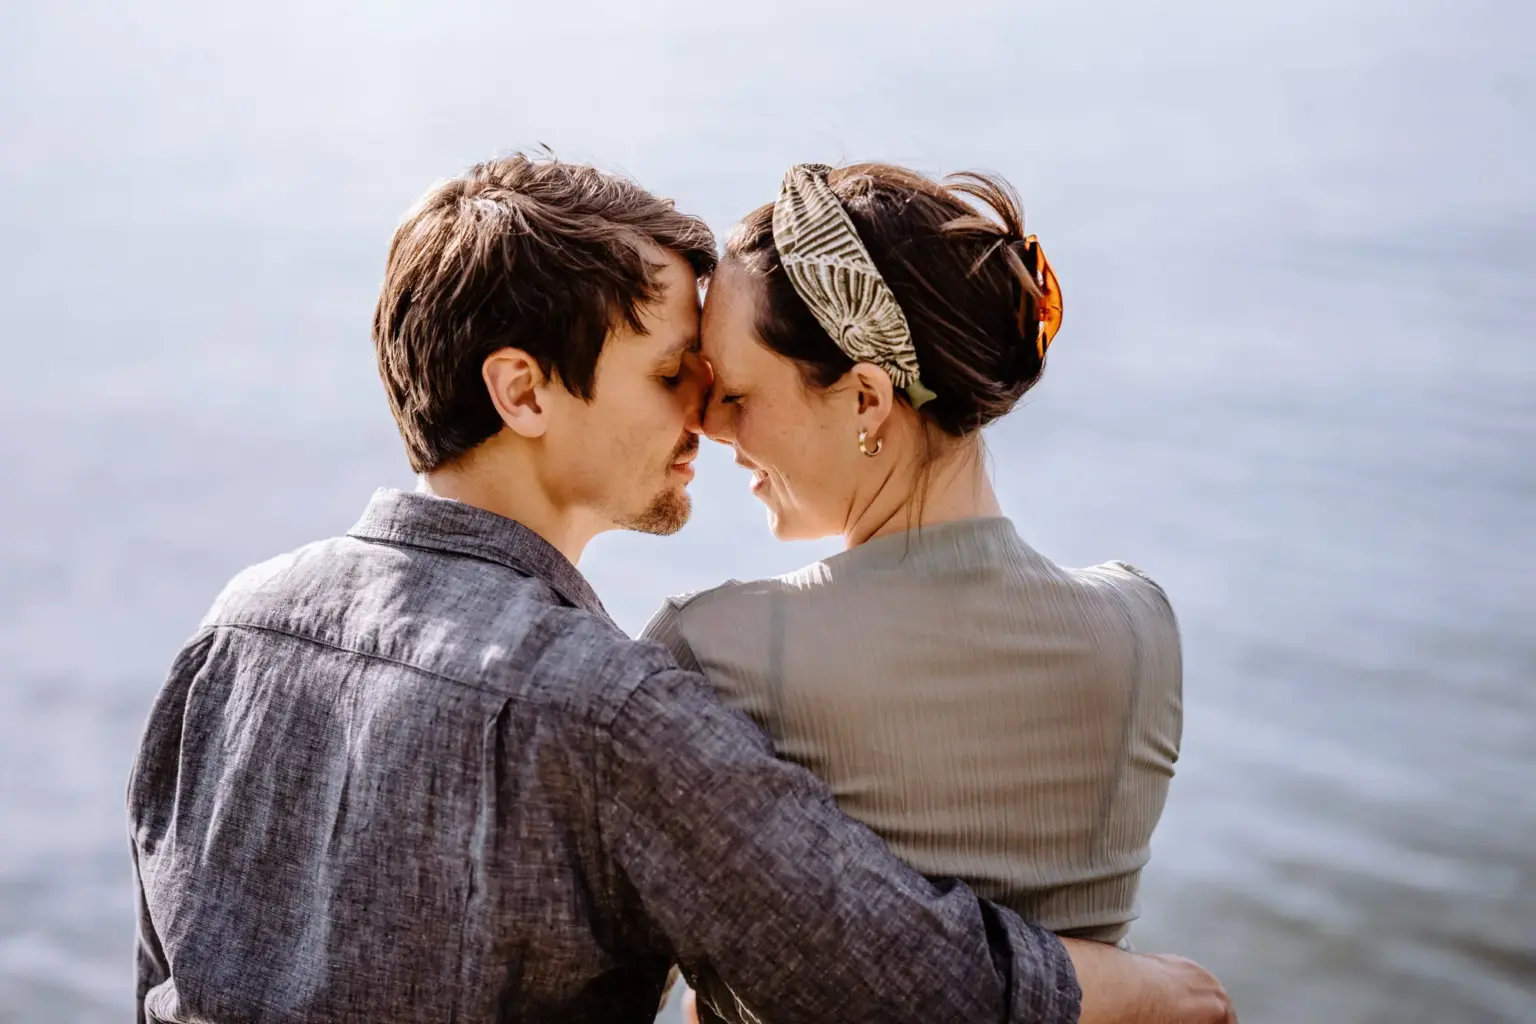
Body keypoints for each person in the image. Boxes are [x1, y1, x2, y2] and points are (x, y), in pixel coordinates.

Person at [127, 154, 1233, 1024]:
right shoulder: (607, 705)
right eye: (671, 375)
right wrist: (1146, 989)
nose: (701, 414)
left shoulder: (232, 624)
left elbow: (158, 975)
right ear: (522, 392)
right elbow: (892, 974)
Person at [644, 163, 1184, 1024]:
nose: (707, 426)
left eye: (738, 393)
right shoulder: (1141, 626)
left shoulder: (716, 652)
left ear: (866, 398)